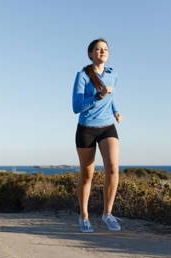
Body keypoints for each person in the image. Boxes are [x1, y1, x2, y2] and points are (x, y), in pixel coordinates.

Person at [72, 38, 123, 232]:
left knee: (113, 168)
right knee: (87, 175)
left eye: (105, 49)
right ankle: (84, 216)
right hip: (86, 128)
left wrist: (116, 110)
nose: (102, 52)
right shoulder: (83, 75)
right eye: (98, 49)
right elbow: (76, 107)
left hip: (107, 126)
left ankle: (107, 214)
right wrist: (97, 96)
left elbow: (113, 96)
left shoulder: (113, 74)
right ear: (90, 54)